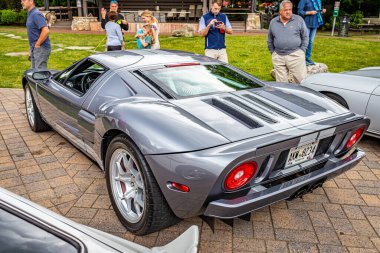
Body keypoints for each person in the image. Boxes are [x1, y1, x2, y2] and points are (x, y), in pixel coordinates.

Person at [267, 0, 309, 84]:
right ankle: (285, 96)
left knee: (301, 81)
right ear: (280, 11)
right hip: (278, 56)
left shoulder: (299, 20)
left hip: (295, 55)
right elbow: (270, 39)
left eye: (290, 9)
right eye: (286, 10)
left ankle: (301, 96)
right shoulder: (273, 22)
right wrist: (273, 53)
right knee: (281, 83)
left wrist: (302, 50)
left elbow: (305, 36)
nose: (288, 12)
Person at [21, 0, 51, 70]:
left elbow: (45, 31)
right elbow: (33, 34)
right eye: (21, 0)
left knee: (40, 74)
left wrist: (37, 44)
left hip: (41, 48)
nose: (22, 2)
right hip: (35, 48)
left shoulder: (36, 14)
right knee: (34, 73)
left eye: (24, 0)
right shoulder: (30, 14)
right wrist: (31, 49)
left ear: (31, 1)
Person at [298, 0, 326, 65]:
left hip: (315, 23)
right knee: (305, 41)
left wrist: (321, 11)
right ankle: (300, 58)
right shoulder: (303, 1)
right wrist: (309, 13)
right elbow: (299, 12)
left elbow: (317, 11)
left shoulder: (318, 1)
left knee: (311, 42)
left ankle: (307, 58)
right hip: (306, 23)